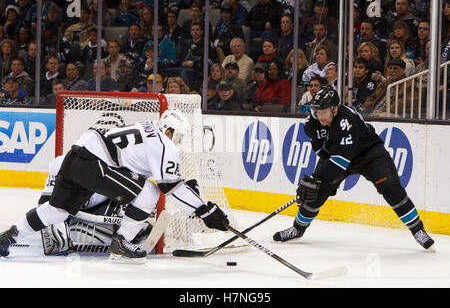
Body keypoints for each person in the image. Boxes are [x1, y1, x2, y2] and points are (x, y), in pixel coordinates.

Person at [0, 109, 230, 260]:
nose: (178, 142)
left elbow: (138, 166)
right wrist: (205, 210)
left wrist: (187, 191)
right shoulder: (164, 144)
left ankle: (9, 237)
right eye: (178, 136)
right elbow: (169, 187)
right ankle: (122, 241)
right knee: (148, 191)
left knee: (57, 210)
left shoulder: (146, 126)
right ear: (171, 130)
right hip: (95, 165)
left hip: (76, 156)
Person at [273, 86, 435, 251]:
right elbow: (320, 149)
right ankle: (298, 229)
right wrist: (318, 180)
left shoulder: (347, 120)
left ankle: (418, 230)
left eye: (324, 111)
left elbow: (341, 162)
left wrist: (319, 176)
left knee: (392, 189)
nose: (319, 116)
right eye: (317, 111)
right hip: (337, 155)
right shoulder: (310, 124)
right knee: (316, 191)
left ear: (335, 109)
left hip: (370, 155)